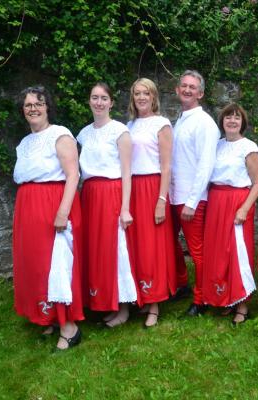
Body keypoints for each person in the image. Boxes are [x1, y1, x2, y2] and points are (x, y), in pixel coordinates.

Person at [12, 85, 83, 350]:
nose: (33, 109)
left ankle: (69, 327)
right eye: (28, 105)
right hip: (27, 207)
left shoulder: (61, 134)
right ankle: (47, 316)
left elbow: (73, 175)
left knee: (54, 265)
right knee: (34, 265)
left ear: (47, 107)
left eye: (38, 104)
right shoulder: (24, 142)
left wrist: (63, 211)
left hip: (52, 205)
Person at [77, 82, 137, 328]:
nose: (99, 102)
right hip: (90, 194)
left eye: (104, 98)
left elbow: (127, 172)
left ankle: (122, 307)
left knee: (115, 248)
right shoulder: (82, 134)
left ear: (111, 102)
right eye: (94, 97)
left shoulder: (120, 131)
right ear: (89, 101)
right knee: (95, 249)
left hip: (112, 192)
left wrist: (124, 207)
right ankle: (101, 300)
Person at [202, 103, 258, 325]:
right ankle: (224, 297)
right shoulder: (216, 146)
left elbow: (257, 183)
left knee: (237, 252)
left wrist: (244, 208)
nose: (232, 121)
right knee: (218, 252)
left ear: (243, 123)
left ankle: (242, 304)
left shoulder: (249, 147)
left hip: (237, 201)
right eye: (228, 117)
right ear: (222, 121)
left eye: (237, 117)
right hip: (216, 200)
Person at [126, 78, 176, 328]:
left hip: (152, 187)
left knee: (151, 245)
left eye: (146, 93)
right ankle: (140, 296)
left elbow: (167, 166)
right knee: (134, 243)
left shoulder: (162, 124)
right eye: (137, 93)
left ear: (154, 96)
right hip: (131, 188)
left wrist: (161, 200)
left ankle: (155, 301)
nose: (141, 97)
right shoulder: (129, 125)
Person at [170, 70, 220, 316]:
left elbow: (205, 165)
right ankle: (181, 285)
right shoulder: (180, 120)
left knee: (197, 250)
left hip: (192, 199)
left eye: (193, 87)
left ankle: (202, 300)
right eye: (184, 86)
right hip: (174, 195)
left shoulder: (205, 123)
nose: (187, 90)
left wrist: (191, 201)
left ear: (200, 93)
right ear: (177, 90)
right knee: (170, 244)